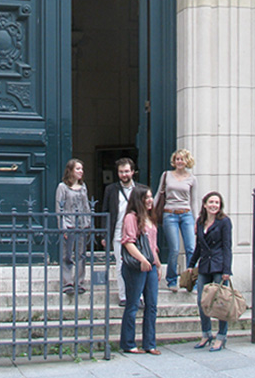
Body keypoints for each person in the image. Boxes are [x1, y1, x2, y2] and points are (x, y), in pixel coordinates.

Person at [120, 185, 162, 355]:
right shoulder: (131, 217)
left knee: (152, 305)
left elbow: (153, 246)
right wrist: (143, 260)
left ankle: (150, 343)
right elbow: (128, 242)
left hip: (150, 265)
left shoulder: (150, 217)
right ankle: (128, 343)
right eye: (147, 198)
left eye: (151, 197)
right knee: (133, 304)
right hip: (136, 267)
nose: (150, 200)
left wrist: (157, 264)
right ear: (139, 200)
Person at [188, 191, 232, 352]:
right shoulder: (200, 221)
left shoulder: (224, 222)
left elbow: (227, 246)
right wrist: (191, 264)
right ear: (205, 204)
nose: (214, 205)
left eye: (217, 203)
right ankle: (206, 334)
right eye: (211, 202)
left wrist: (227, 269)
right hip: (205, 265)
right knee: (202, 301)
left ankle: (221, 336)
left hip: (220, 266)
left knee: (221, 302)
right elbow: (199, 245)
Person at [154, 148, 198, 292]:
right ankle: (172, 280)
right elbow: (158, 194)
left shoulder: (192, 179)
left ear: (187, 161)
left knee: (191, 248)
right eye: (177, 159)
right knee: (174, 249)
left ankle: (192, 281)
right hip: (170, 213)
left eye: (182, 159)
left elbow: (194, 201)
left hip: (186, 214)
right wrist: (151, 213)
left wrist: (196, 220)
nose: (180, 162)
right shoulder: (166, 175)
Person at [101, 157, 139, 305]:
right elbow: (105, 211)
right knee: (120, 264)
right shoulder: (111, 190)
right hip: (117, 232)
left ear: (133, 172)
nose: (124, 174)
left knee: (137, 264)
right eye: (121, 172)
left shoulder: (140, 189)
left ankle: (138, 296)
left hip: (136, 234)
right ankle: (123, 296)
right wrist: (105, 235)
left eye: (127, 171)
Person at [55, 158, 91, 295]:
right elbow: (59, 208)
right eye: (78, 169)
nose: (81, 171)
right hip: (69, 224)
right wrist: (62, 226)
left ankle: (80, 282)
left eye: (81, 169)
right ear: (70, 170)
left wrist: (88, 222)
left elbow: (86, 206)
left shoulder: (83, 187)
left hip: (81, 225)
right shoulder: (62, 187)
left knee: (81, 254)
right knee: (67, 254)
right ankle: (67, 282)